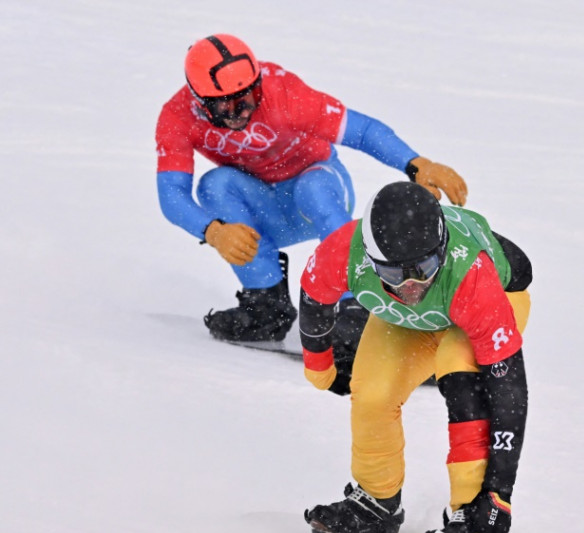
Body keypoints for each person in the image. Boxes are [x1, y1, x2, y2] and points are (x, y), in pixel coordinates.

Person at [155, 34, 468, 342]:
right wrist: (213, 231)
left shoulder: (282, 91)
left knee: (313, 187)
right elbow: (171, 193)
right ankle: (266, 302)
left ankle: (356, 305)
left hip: (319, 189)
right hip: (265, 211)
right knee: (214, 185)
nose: (242, 112)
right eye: (226, 106)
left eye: (248, 98)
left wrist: (415, 163)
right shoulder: (177, 116)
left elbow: (360, 131)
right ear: (199, 102)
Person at [297, 182, 533, 533]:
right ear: (370, 261)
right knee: (373, 394)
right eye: (394, 274)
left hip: (482, 301)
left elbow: (507, 393)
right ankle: (377, 502)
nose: (411, 286)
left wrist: (498, 493)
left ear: (442, 248)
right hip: (413, 318)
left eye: (423, 268)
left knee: (463, 381)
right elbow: (314, 299)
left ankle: (472, 511)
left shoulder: (472, 275)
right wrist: (320, 370)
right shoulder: (342, 253)